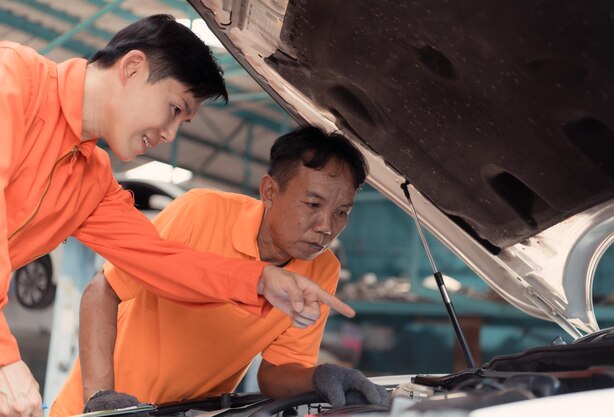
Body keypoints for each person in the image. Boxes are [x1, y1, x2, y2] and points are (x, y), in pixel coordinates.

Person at [0, 15, 354, 417]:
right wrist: (5, 360)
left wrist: (258, 279)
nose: (169, 135)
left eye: (182, 121)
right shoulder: (12, 79)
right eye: (173, 109)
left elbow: (164, 262)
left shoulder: (92, 181)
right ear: (132, 68)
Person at [50, 126, 389, 416]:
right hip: (95, 410)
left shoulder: (321, 268)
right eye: (313, 205)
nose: (326, 227)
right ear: (270, 191)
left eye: (342, 212)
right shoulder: (201, 212)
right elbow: (102, 291)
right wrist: (101, 400)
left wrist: (321, 377)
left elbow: (275, 374)